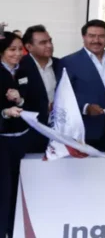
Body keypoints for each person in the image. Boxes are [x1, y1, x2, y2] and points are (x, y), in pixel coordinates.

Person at [61, 19, 105, 151]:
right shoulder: (68, 62)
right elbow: (64, 95)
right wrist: (86, 107)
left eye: (101, 36)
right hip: (82, 129)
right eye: (92, 36)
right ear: (83, 37)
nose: (96, 40)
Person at [0, 32, 30, 238]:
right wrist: (4, 112)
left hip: (20, 141)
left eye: (20, 49)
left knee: (17, 196)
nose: (17, 54)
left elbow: (28, 100)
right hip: (2, 143)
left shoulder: (20, 71)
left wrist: (19, 102)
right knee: (3, 197)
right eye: (12, 49)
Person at [16, 25, 61, 153]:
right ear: (29, 47)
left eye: (50, 41)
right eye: (43, 42)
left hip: (58, 131)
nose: (49, 45)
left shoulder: (60, 64)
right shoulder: (20, 67)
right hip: (31, 131)